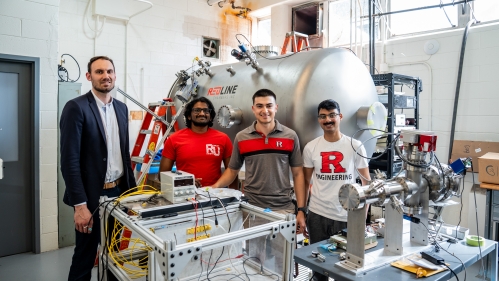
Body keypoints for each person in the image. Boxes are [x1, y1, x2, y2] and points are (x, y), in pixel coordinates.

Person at [60, 56, 137, 281]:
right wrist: (80, 206)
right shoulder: (76, 107)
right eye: (99, 72)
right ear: (89, 76)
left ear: (115, 75)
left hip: (118, 193)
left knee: (115, 254)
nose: (106, 76)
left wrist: (131, 196)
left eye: (110, 71)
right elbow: (69, 160)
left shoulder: (122, 109)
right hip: (90, 196)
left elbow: (125, 155)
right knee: (85, 255)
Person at [210, 89, 307, 233]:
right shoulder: (242, 137)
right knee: (253, 255)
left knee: (282, 255)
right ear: (253, 109)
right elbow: (232, 170)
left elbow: (298, 174)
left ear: (276, 107)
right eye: (260, 106)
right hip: (252, 208)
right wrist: (214, 187)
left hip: (283, 208)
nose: (265, 110)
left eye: (269, 105)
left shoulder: (290, 136)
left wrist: (301, 210)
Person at [303, 99, 370, 281]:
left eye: (332, 115)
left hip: (346, 215)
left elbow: (367, 185)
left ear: (340, 117)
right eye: (323, 116)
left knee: (346, 266)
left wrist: (362, 219)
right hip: (317, 214)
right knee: (318, 265)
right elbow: (305, 182)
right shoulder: (311, 147)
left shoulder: (355, 146)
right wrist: (302, 211)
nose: (328, 120)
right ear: (318, 120)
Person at [160, 97, 235, 188]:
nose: (202, 113)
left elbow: (232, 171)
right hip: (185, 195)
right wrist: (185, 181)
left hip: (215, 195)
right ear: (189, 116)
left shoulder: (223, 138)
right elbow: (162, 176)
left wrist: (235, 196)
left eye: (206, 111)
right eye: (197, 110)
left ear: (210, 117)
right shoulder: (174, 139)